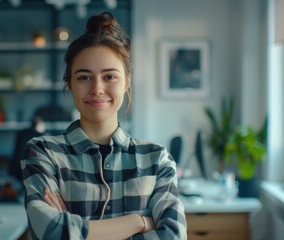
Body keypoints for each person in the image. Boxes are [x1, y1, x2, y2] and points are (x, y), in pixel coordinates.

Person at [21, 12, 187, 240]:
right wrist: (139, 222)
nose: (97, 88)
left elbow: (174, 236)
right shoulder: (43, 152)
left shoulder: (156, 159)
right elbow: (52, 231)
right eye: (84, 77)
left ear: (127, 81)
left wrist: (75, 230)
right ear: (69, 83)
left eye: (109, 77)